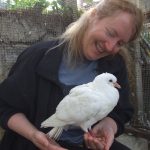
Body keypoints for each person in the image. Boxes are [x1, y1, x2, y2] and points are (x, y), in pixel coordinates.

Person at [0, 0, 143, 150]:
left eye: (120, 43)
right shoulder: (37, 57)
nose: (110, 46)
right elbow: (5, 107)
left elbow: (122, 111)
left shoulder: (114, 64)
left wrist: (108, 126)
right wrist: (34, 135)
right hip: (33, 142)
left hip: (87, 143)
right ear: (93, 16)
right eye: (110, 33)